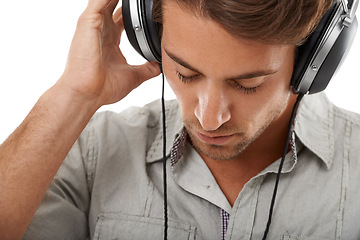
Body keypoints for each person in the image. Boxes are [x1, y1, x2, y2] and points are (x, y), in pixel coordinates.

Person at [0, 0, 359, 239]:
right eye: (186, 73)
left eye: (248, 83)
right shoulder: (93, 153)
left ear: (315, 61)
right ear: (151, 39)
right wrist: (73, 94)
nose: (209, 117)